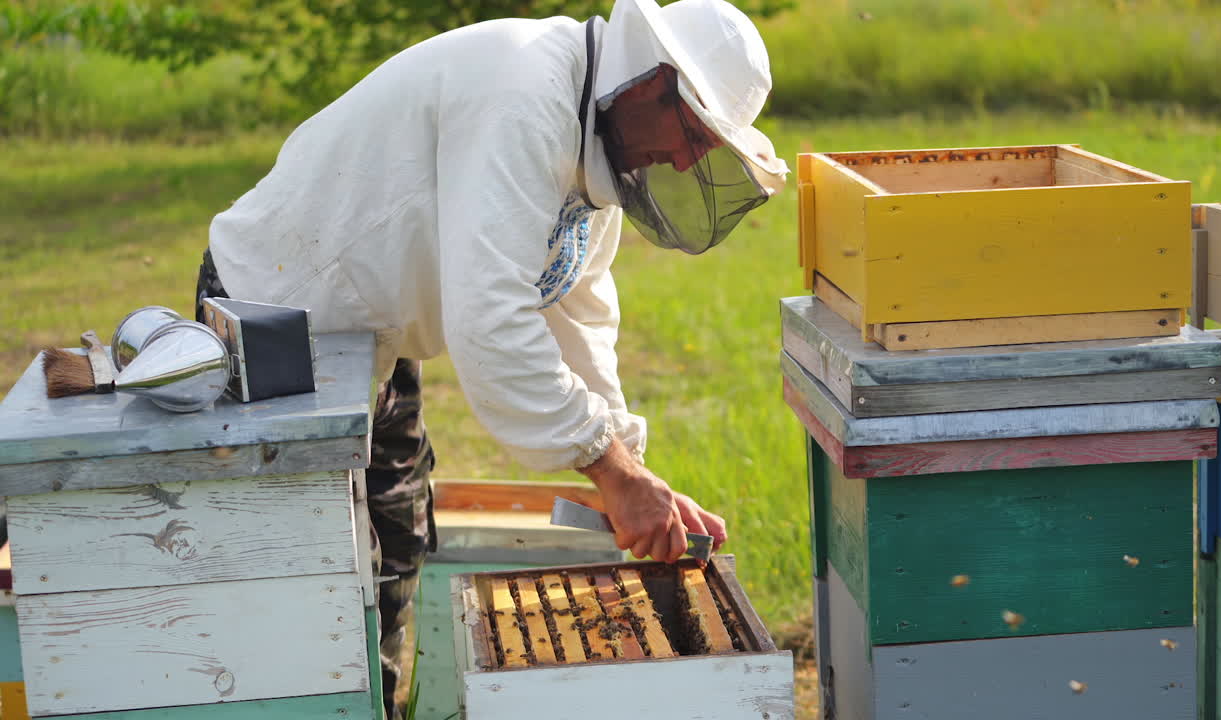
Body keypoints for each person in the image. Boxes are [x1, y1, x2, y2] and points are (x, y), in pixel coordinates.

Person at [195, 0, 786, 716]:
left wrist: (631, 466)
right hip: (274, 319)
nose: (690, 158)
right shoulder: (526, 92)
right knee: (310, 582)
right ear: (648, 81)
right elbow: (490, 319)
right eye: (694, 130)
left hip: (365, 337)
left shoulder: (589, 146)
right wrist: (611, 471)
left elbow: (578, 312)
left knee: (394, 538)